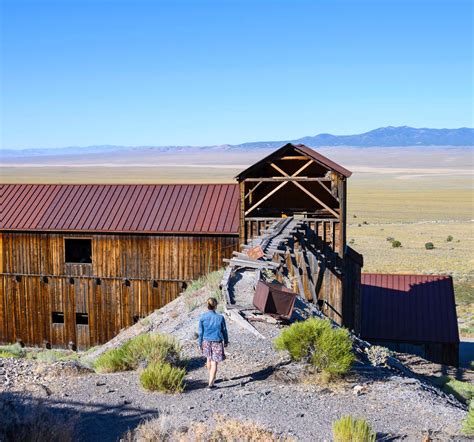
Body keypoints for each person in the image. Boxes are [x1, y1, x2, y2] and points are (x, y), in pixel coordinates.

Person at [198, 297, 228, 389]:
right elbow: (224, 331)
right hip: (217, 341)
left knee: (208, 359)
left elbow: (200, 332)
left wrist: (200, 343)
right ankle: (211, 384)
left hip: (206, 341)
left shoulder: (203, 317)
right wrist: (226, 341)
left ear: (207, 306)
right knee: (214, 362)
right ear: (216, 306)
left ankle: (212, 377)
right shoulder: (220, 318)